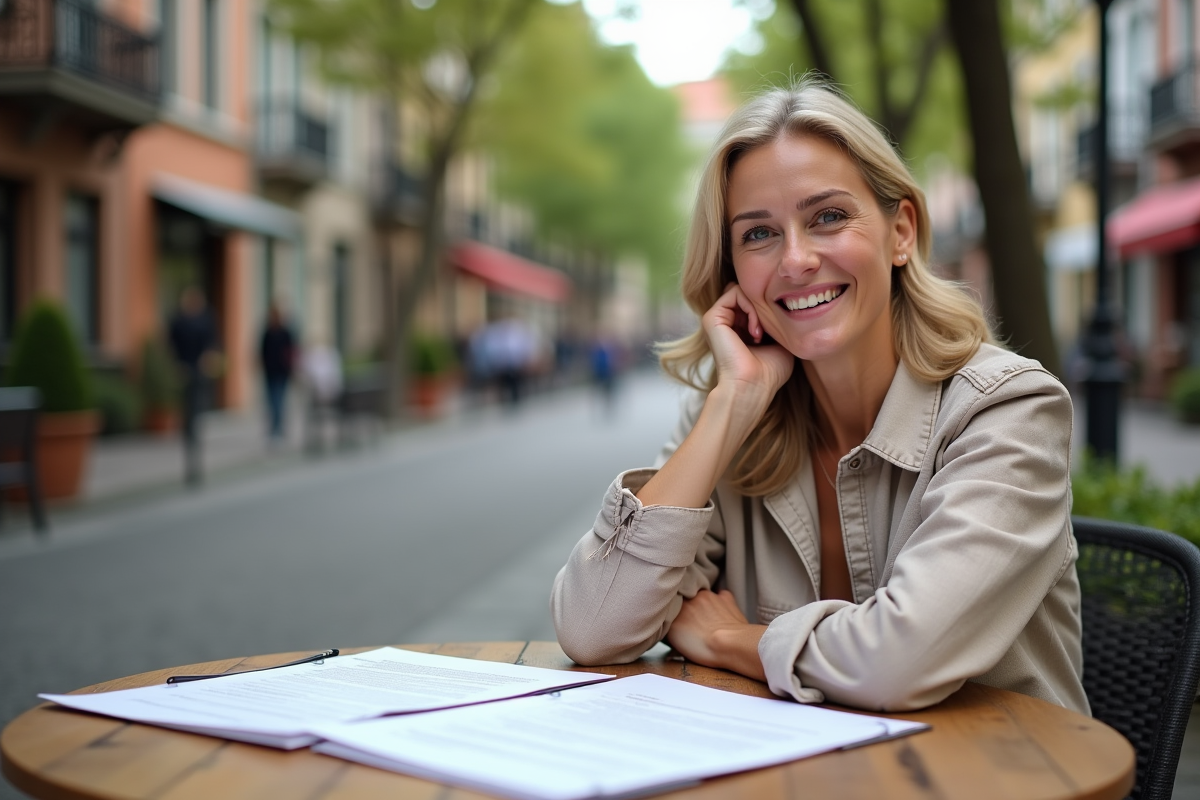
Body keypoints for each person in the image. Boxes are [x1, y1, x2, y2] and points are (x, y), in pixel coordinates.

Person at [551, 80, 1088, 716]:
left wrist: (729, 639)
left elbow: (895, 662)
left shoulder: (1007, 411)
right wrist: (732, 403)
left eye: (828, 217)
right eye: (757, 234)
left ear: (901, 232)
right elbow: (593, 627)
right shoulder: (737, 424)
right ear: (732, 273)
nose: (796, 259)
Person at [168, 286, 217, 485]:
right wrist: (177, 364)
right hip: (185, 370)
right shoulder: (178, 321)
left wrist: (208, 358)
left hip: (200, 371)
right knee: (187, 410)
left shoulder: (206, 320)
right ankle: (189, 435)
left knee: (197, 408)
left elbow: (212, 342)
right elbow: (171, 343)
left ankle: (195, 436)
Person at [259, 302, 297, 444]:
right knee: (273, 400)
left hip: (281, 371)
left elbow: (290, 352)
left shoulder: (283, 332)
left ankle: (278, 428)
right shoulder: (269, 332)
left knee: (278, 400)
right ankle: (276, 428)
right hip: (272, 371)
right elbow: (262, 351)